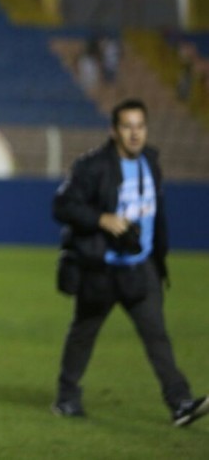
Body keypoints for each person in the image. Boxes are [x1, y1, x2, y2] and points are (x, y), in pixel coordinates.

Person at [52, 98, 209, 426]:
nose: (135, 134)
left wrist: (157, 260)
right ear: (114, 131)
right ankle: (66, 398)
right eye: (127, 126)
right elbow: (62, 206)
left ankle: (180, 403)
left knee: (157, 337)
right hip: (102, 270)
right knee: (83, 333)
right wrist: (101, 219)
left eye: (140, 126)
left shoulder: (151, 162)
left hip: (141, 268)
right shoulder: (93, 166)